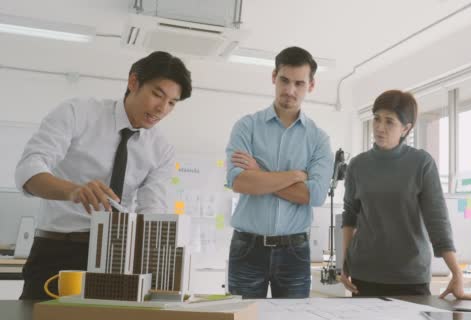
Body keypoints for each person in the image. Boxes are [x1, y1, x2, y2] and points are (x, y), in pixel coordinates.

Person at [14, 51, 192, 300]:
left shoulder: (161, 149)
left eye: (172, 102)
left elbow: (152, 210)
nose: (162, 108)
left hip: (119, 259)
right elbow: (28, 170)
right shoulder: (79, 112)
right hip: (59, 253)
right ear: (133, 82)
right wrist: (73, 191)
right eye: (157, 94)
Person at [340, 90, 471, 300]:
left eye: (390, 122)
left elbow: (437, 220)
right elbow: (350, 216)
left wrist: (456, 273)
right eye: (377, 119)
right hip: (365, 275)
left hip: (410, 277)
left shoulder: (421, 163)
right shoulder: (358, 165)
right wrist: (344, 264)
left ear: (406, 128)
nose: (379, 127)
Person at [225, 46, 333, 298]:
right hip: (247, 247)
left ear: (311, 86)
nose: (290, 90)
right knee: (243, 318)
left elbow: (314, 196)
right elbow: (239, 181)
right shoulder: (246, 126)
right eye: (284, 80)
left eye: (299, 83)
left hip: (294, 251)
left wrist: (259, 172)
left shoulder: (318, 139)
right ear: (274, 77)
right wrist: (297, 175)